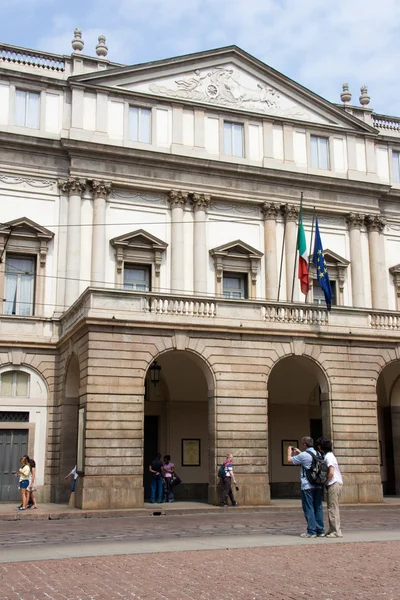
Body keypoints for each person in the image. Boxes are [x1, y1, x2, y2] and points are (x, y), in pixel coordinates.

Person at [287, 437, 324, 538]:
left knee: (309, 507)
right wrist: (300, 452)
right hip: (318, 483)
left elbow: (289, 460)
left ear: (304, 445)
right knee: (318, 507)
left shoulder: (304, 455)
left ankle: (311, 531)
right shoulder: (318, 454)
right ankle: (320, 530)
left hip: (307, 485)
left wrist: (289, 452)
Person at [316, 436, 343, 538]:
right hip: (336, 482)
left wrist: (326, 482)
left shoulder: (328, 457)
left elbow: (331, 472)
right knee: (332, 507)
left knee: (333, 508)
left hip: (333, 483)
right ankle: (332, 529)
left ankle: (336, 531)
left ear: (321, 447)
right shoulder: (330, 455)